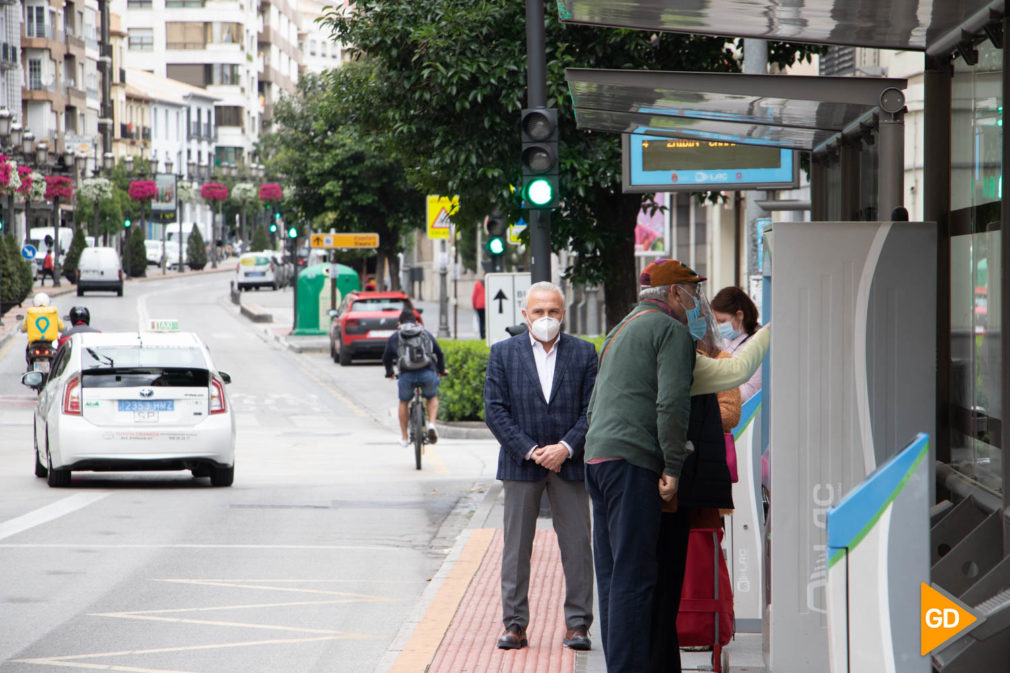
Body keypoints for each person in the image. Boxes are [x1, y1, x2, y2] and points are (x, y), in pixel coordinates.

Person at [585, 259, 770, 673]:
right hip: (633, 462)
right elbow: (670, 405)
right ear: (673, 294)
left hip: (599, 460)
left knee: (614, 577)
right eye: (691, 292)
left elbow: (598, 401)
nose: (696, 301)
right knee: (637, 578)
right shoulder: (670, 331)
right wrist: (671, 468)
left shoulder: (622, 328)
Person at [484, 281, 598, 651]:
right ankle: (514, 625)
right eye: (538, 312)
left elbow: (592, 409)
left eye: (553, 311)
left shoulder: (584, 353)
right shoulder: (503, 353)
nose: (545, 318)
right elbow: (495, 410)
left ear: (563, 314)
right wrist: (532, 450)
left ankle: (578, 625)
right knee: (516, 548)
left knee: (578, 546)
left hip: (570, 463)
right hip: (522, 464)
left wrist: (566, 447)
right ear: (525, 315)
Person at [382, 309, 446, 447]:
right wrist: (441, 370)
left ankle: (404, 438)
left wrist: (389, 372)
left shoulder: (396, 336)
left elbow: (386, 356)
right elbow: (439, 353)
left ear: (399, 323)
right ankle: (432, 425)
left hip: (406, 375)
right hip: (427, 373)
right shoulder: (425, 333)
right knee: (432, 397)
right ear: (416, 321)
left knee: (404, 402)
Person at [710, 286, 762, 402]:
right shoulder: (725, 340)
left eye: (722, 321)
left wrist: (714, 389)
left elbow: (749, 393)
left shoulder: (757, 344)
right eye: (716, 321)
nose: (718, 326)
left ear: (739, 316)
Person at [19, 292, 64, 365]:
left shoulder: (31, 313)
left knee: (28, 352)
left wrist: (22, 329)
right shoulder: (52, 312)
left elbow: (23, 328)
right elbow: (61, 327)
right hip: (49, 344)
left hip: (34, 344)